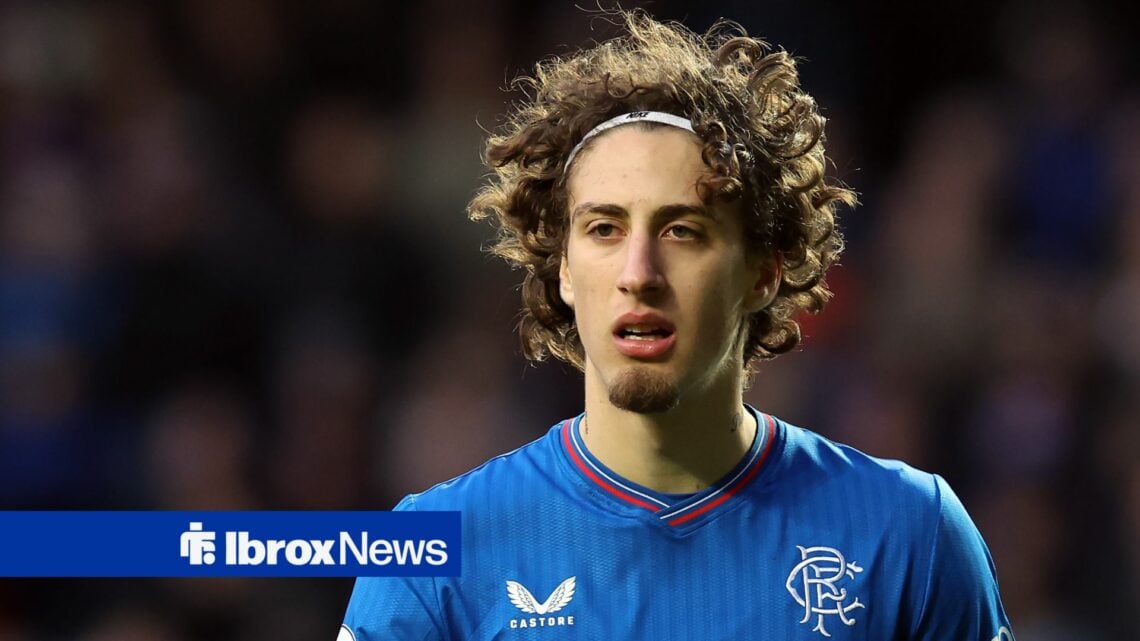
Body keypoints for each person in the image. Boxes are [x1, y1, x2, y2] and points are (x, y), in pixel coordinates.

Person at [340, 10, 1013, 640]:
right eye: (604, 228)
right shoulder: (434, 550)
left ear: (765, 270)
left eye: (683, 230)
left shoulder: (909, 533)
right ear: (564, 269)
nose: (639, 271)